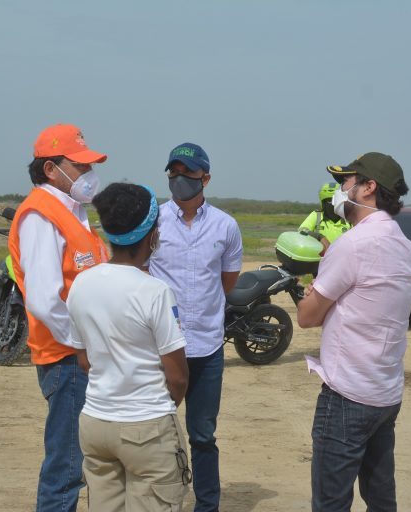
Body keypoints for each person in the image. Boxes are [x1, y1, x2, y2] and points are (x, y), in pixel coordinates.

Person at [297, 152, 411, 512]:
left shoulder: (353, 244)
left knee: (331, 502)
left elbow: (307, 317)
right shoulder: (404, 246)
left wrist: (311, 294)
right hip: (384, 392)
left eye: (345, 182)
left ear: (368, 188)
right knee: (381, 499)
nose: (340, 189)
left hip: (347, 394)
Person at [66, 183, 191, 511]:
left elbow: (83, 360)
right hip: (146, 428)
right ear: (151, 235)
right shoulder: (155, 292)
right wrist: (157, 410)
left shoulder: (82, 283)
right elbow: (177, 377)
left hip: (95, 424)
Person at [7, 124, 109, 512]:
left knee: (80, 460)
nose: (88, 174)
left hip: (82, 356)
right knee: (66, 468)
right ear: (51, 169)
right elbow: (45, 300)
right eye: (80, 166)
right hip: (67, 358)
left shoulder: (74, 211)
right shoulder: (41, 215)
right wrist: (83, 346)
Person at [147, 142, 243, 512]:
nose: (180, 179)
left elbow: (227, 281)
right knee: (154, 431)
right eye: (174, 172)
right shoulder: (153, 220)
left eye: (188, 172)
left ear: (205, 177)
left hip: (206, 348)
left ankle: (207, 505)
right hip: (162, 348)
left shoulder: (225, 226)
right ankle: (159, 503)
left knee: (203, 435)